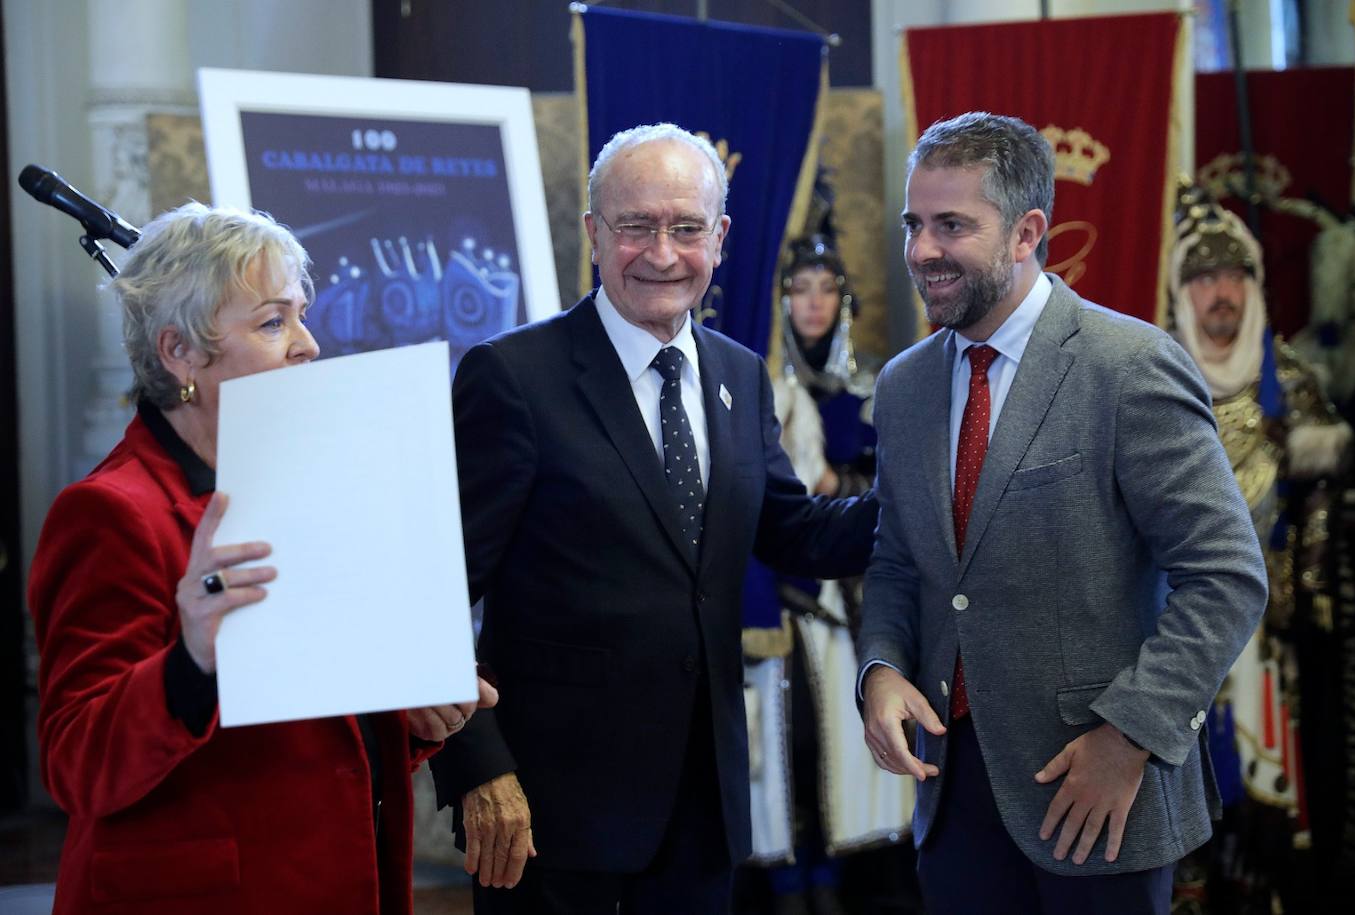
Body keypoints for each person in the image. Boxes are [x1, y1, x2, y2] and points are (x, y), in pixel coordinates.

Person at [429, 122, 878, 914]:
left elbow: (792, 530)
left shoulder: (738, 374)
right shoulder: (514, 378)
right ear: (595, 233)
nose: (662, 253)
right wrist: (477, 767)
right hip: (548, 820)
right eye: (635, 226)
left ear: (721, 237)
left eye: (685, 228)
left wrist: (933, 501)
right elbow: (429, 592)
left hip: (701, 817)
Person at [28, 202, 495, 915]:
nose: (308, 344)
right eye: (274, 321)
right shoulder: (112, 512)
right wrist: (189, 661)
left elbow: (314, 730)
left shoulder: (313, 482)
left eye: (302, 315)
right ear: (180, 351)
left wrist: (411, 716)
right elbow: (76, 765)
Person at [857, 112, 1268, 914]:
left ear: (1026, 232)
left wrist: (1131, 736)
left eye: (951, 225)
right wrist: (879, 667)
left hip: (1097, 788)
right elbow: (898, 560)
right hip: (951, 796)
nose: (921, 251)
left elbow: (1226, 575)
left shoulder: (1129, 366)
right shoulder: (902, 387)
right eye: (914, 224)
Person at [1168, 188, 1352, 913]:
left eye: (1236, 274)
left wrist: (1303, 585)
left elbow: (1321, 503)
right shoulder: (1153, 378)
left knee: (1272, 808)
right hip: (1176, 639)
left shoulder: (1293, 384)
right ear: (1181, 289)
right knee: (1184, 812)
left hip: (1271, 642)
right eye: (1204, 276)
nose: (1221, 291)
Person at [740, 234, 912, 915]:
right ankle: (786, 885)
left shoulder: (874, 387)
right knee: (779, 750)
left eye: (825, 288)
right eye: (799, 288)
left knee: (841, 749)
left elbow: (896, 485)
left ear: (843, 301)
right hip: (766, 591)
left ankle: (839, 887)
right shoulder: (753, 383)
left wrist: (842, 480)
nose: (812, 303)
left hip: (844, 597)